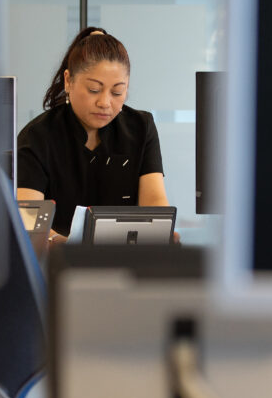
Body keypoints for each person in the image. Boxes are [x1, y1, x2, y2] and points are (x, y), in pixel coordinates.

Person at [16, 27, 171, 242]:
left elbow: (154, 202)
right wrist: (67, 246)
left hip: (124, 262)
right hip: (56, 265)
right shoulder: (37, 137)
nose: (105, 102)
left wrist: (162, 233)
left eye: (117, 92)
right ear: (69, 80)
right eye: (94, 90)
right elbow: (27, 224)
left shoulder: (141, 128)